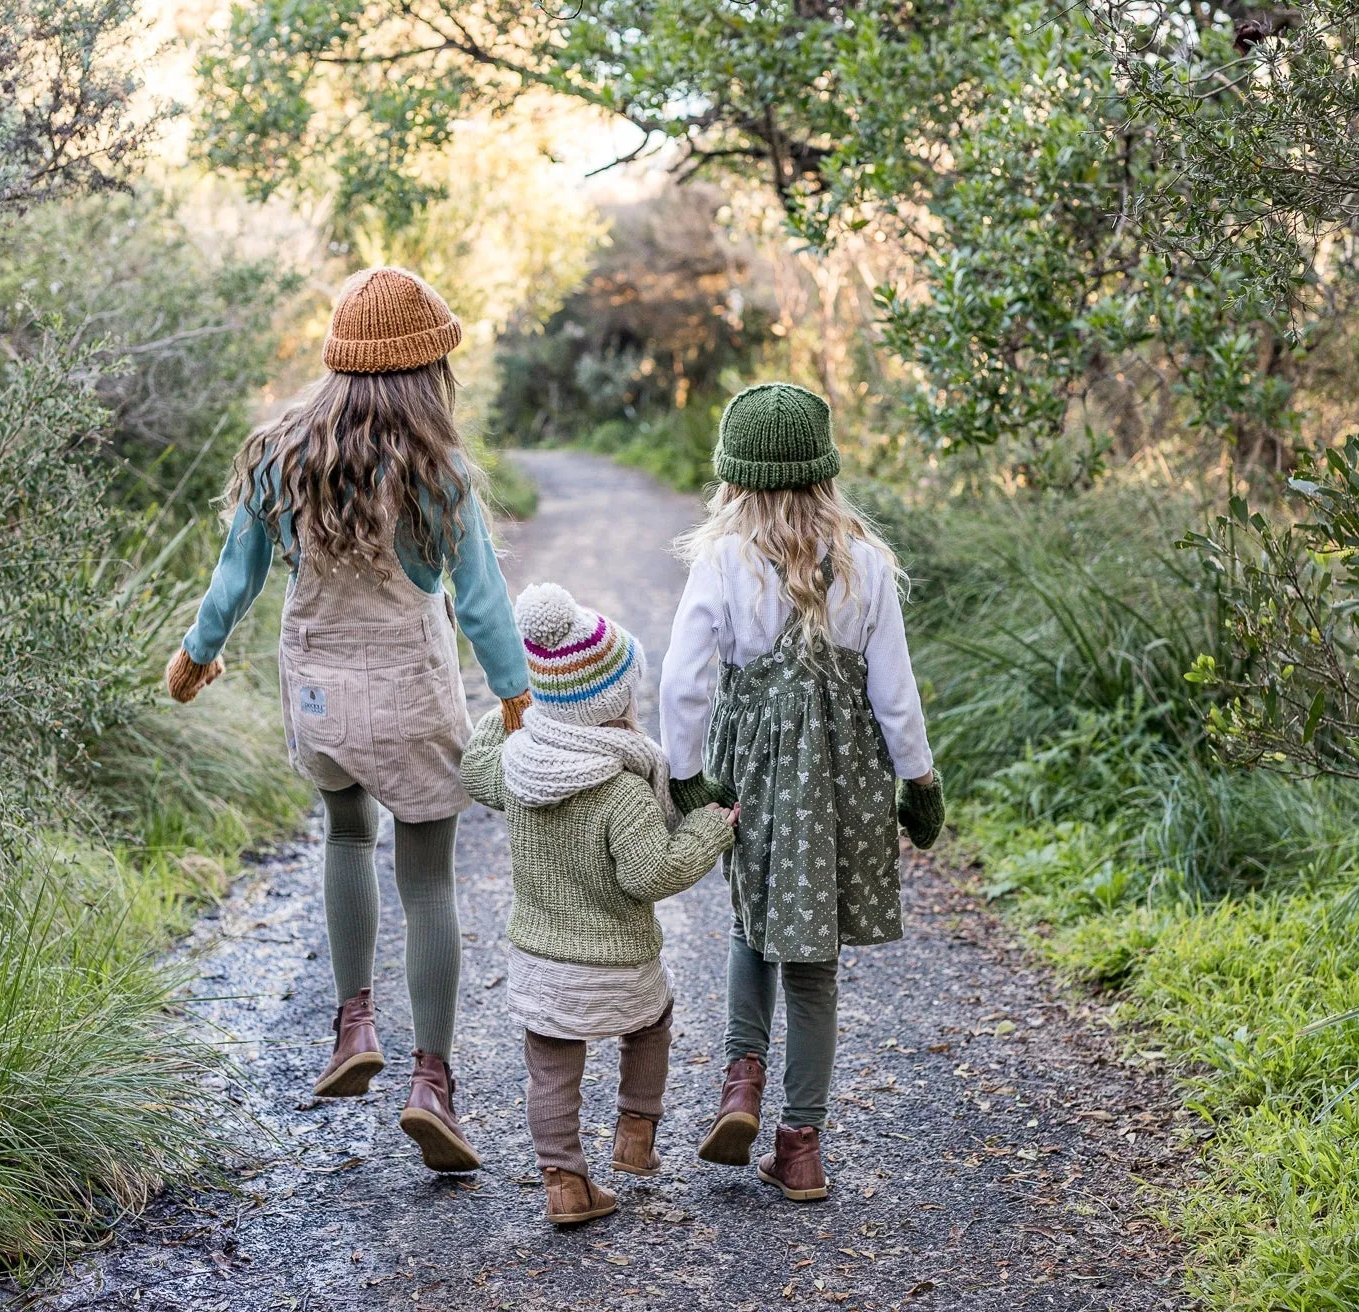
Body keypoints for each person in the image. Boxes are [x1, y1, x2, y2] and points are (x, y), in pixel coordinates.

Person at [164, 267, 531, 1174]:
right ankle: (431, 1081)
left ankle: (352, 1021)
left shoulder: (281, 453)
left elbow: (236, 575)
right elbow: (481, 601)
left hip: (319, 691)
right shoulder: (438, 472)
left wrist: (198, 650)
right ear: (426, 374)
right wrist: (517, 691)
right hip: (409, 691)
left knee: (342, 834)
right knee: (429, 879)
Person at [658, 381, 946, 1202]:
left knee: (754, 919)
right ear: (825, 470)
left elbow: (682, 681)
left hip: (750, 772)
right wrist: (918, 779)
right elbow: (895, 694)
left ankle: (740, 1084)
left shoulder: (721, 559)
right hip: (844, 783)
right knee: (814, 956)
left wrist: (685, 777)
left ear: (733, 477)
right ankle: (801, 1146)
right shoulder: (868, 564)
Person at [461, 582, 736, 1224]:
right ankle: (636, 1134)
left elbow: (475, 770)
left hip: (543, 961)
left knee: (551, 1069)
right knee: (651, 1019)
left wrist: (501, 712)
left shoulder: (519, 766)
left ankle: (564, 1182)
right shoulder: (622, 788)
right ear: (614, 700)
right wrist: (710, 829)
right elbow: (650, 873)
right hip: (618, 964)